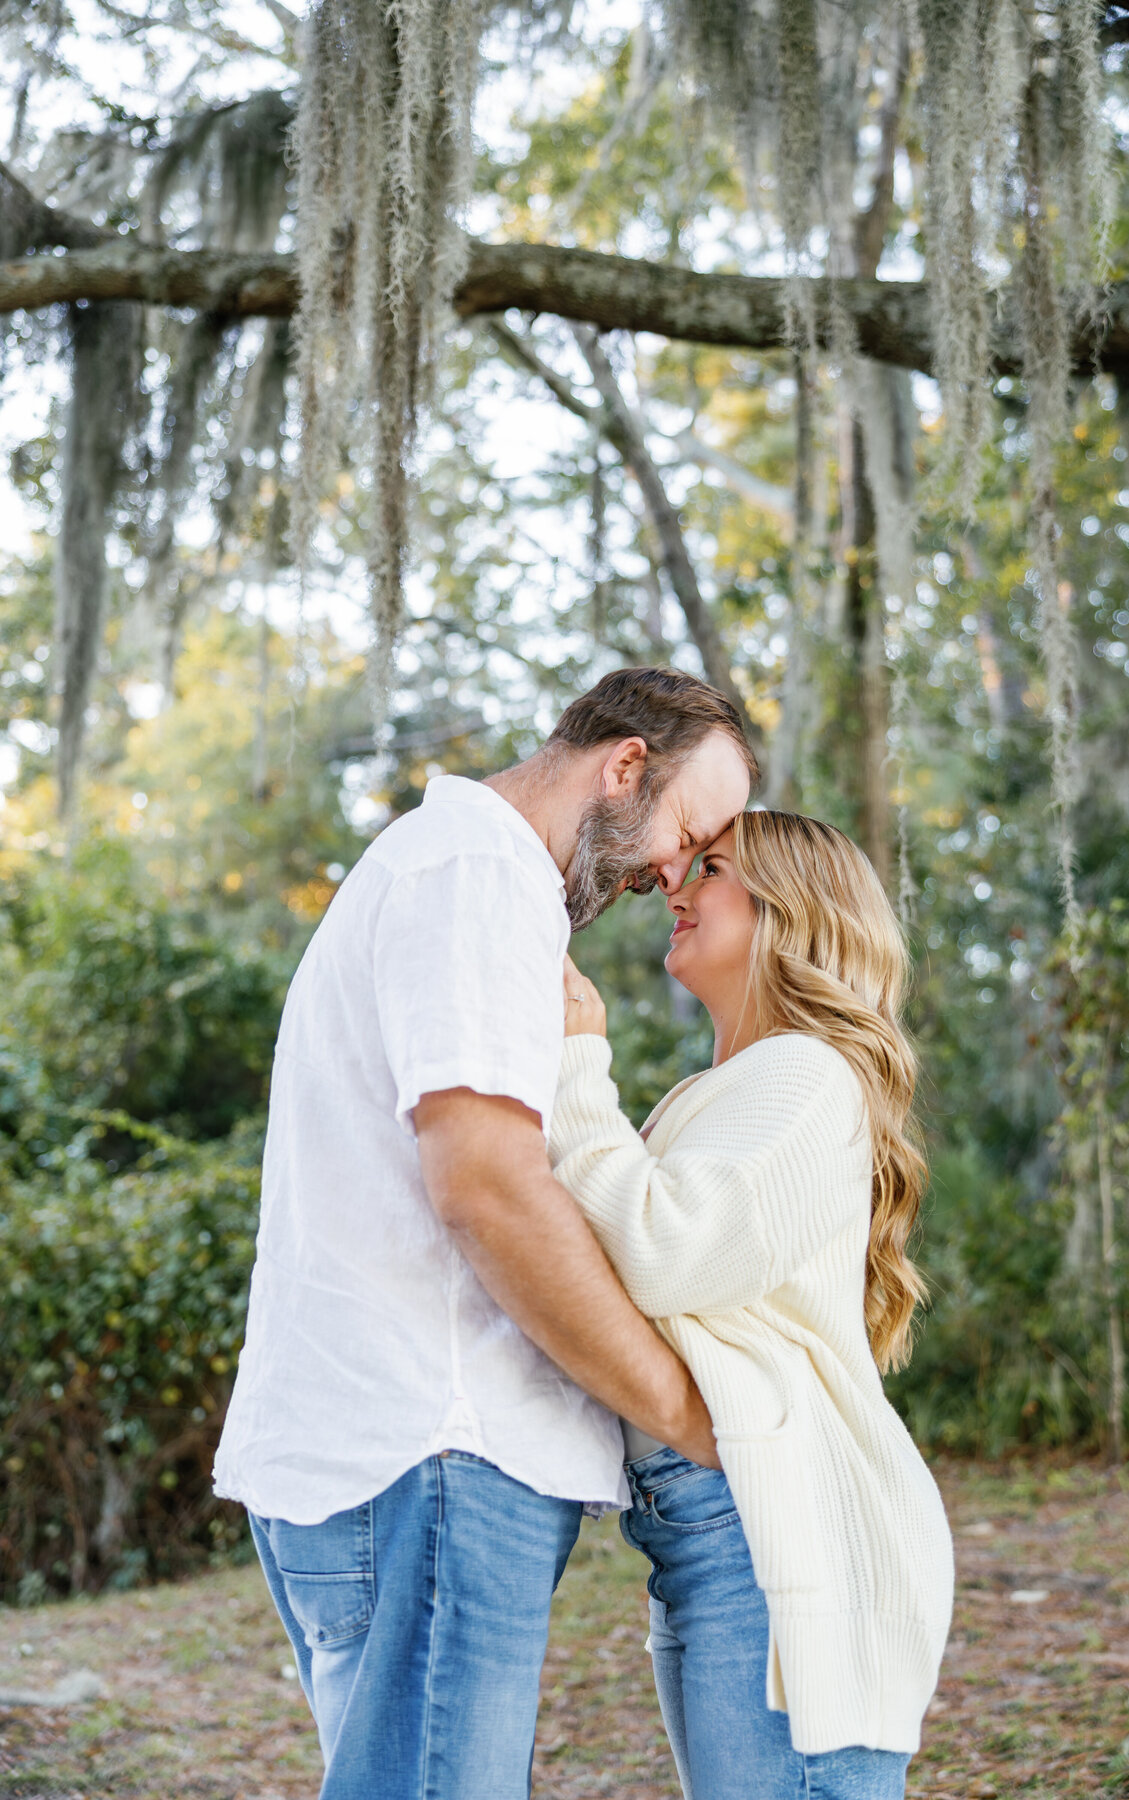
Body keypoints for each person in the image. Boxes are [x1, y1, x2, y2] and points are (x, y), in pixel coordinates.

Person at [212, 667, 757, 1800]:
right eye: (687, 833)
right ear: (623, 767)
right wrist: (677, 1409)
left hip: (408, 1462)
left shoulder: (457, 874)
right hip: (434, 1454)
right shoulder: (476, 875)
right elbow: (489, 1189)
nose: (674, 876)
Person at [551, 810, 955, 1800]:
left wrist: (574, 1061)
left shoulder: (806, 1074)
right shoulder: (736, 1088)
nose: (677, 889)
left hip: (770, 1536)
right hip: (718, 1534)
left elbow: (660, 1251)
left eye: (713, 869)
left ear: (794, 914)